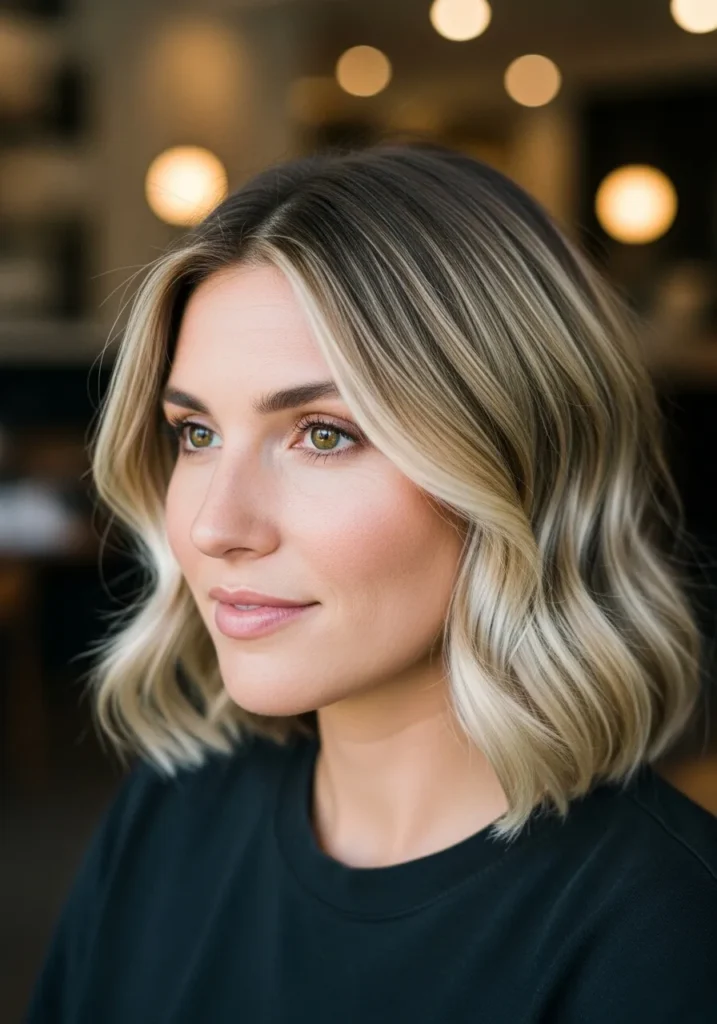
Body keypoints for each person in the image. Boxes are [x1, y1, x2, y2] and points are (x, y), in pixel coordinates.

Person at [26, 141, 717, 1023]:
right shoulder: (173, 813)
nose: (212, 526)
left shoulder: (662, 934)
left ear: (513, 464)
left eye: (322, 434)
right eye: (195, 434)